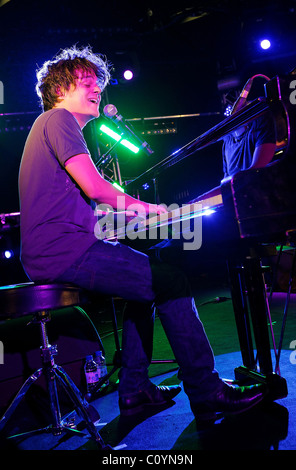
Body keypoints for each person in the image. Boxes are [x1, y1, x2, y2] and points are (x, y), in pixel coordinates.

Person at [18, 45, 266, 425]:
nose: (97, 87)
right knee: (172, 281)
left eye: (98, 81)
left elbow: (82, 205)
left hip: (57, 249)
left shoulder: (51, 127)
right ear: (59, 89)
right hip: (64, 252)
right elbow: (98, 189)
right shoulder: (58, 120)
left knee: (145, 286)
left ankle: (135, 391)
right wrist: (155, 210)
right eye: (85, 81)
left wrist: (121, 220)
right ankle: (207, 390)